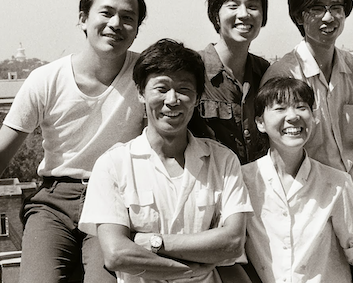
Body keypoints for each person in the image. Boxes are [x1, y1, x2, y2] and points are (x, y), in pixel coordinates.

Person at [0, 0, 147, 283]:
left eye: (128, 18)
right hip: (55, 199)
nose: (116, 24)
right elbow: (4, 150)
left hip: (115, 200)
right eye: (106, 13)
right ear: (83, 18)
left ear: (136, 31)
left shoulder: (145, 76)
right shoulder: (46, 79)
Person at [78, 39, 253, 283]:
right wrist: (191, 269)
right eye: (161, 89)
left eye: (184, 89)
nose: (172, 100)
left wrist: (150, 242)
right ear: (140, 93)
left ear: (198, 97)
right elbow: (117, 254)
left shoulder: (222, 162)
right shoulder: (113, 165)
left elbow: (233, 243)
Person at [260, 0, 353, 282]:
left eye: (336, 8)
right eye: (317, 8)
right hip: (310, 201)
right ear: (299, 16)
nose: (328, 17)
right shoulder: (283, 74)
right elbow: (279, 153)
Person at [243, 76, 353, 283]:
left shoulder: (337, 183)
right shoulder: (243, 181)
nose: (293, 116)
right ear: (260, 122)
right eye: (280, 108)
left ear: (313, 117)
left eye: (301, 107)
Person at [188, 0, 270, 165]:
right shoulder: (192, 69)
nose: (244, 14)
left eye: (253, 6)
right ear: (216, 16)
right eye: (233, 6)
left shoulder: (265, 72)